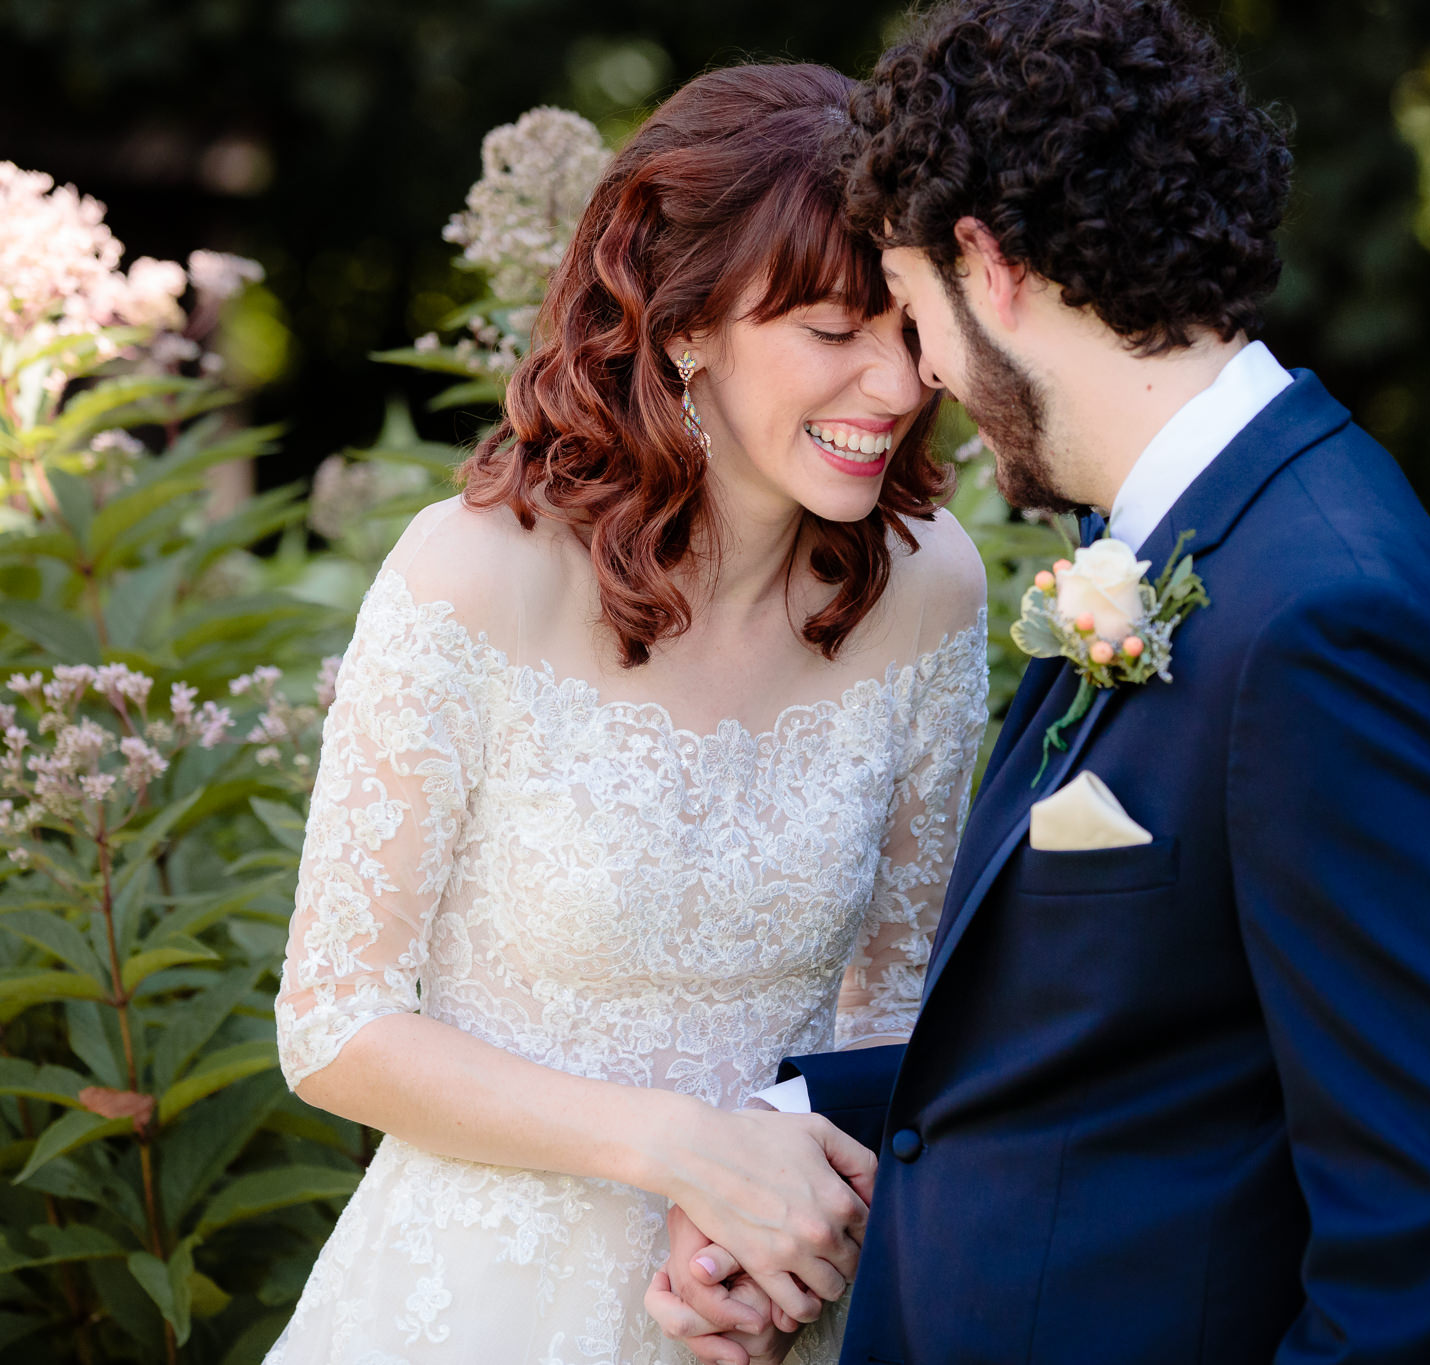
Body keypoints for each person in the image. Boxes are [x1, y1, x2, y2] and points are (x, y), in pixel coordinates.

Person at [650, 3, 1430, 1362]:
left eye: (913, 315)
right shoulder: (1177, 542)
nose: (923, 379)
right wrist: (793, 1126)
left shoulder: (1326, 616)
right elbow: (1126, 1047)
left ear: (992, 266)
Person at [266, 63, 988, 1365]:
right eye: (833, 330)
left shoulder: (932, 588)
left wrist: (779, 1236)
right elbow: (334, 1022)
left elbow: (900, 1005)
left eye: (911, 327)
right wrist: (685, 1148)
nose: (893, 385)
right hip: (477, 1304)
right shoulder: (472, 575)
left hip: (769, 1307)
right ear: (685, 321)